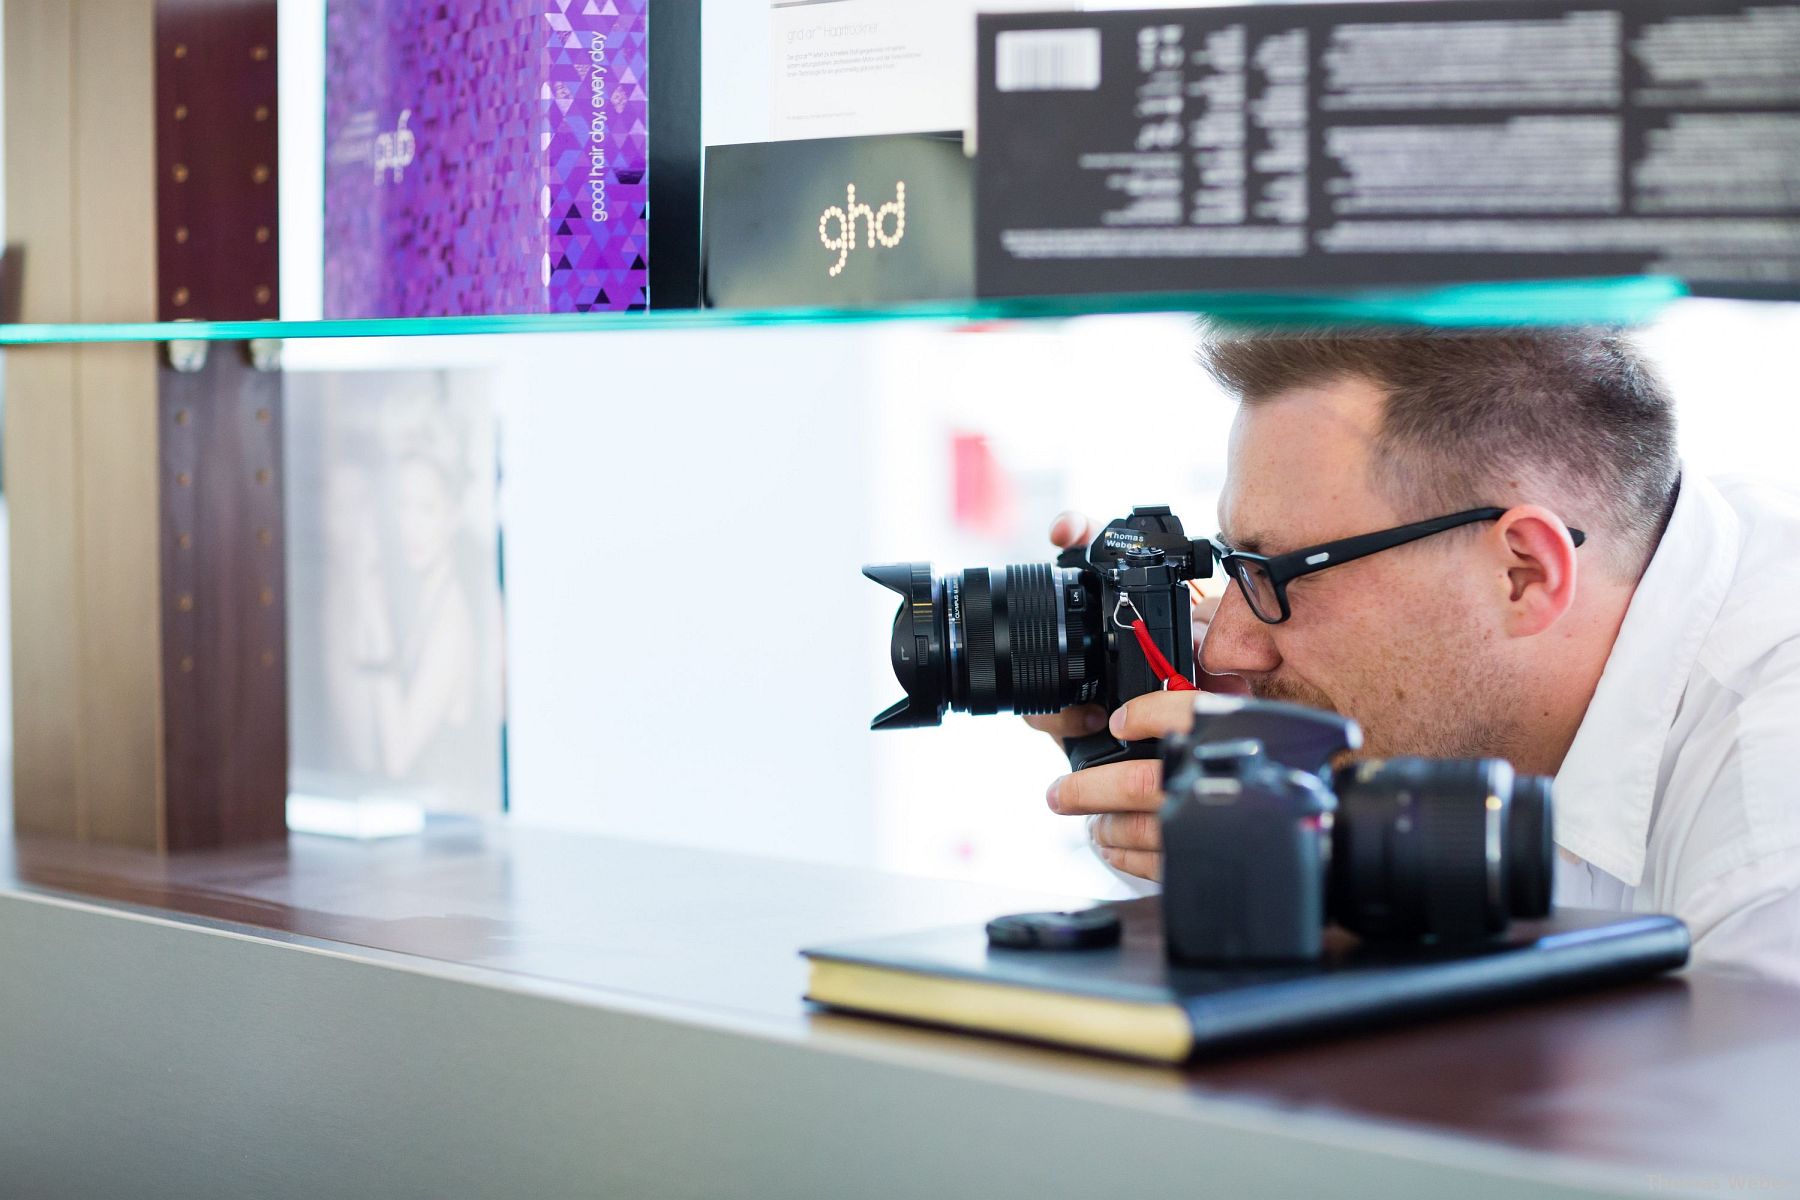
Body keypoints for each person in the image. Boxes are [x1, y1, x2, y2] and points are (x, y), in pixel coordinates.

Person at [1030, 327, 1800, 984]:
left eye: (1279, 575)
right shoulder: (1630, 567)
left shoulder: (1771, 823)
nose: (1231, 646)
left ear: (1523, 573)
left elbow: (1649, 1149)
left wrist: (1345, 899)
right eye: (1234, 565)